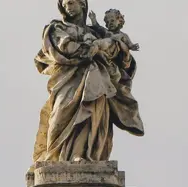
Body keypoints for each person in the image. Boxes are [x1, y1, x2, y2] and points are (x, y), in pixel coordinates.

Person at [32, 0, 144, 163]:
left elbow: (119, 58)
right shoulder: (57, 28)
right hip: (68, 81)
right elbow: (63, 48)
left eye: (71, 3)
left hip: (97, 80)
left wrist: (120, 50)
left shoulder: (97, 33)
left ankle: (83, 154)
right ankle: (55, 156)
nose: (68, 7)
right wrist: (93, 49)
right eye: (65, 4)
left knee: (92, 114)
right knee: (60, 115)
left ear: (82, 4)